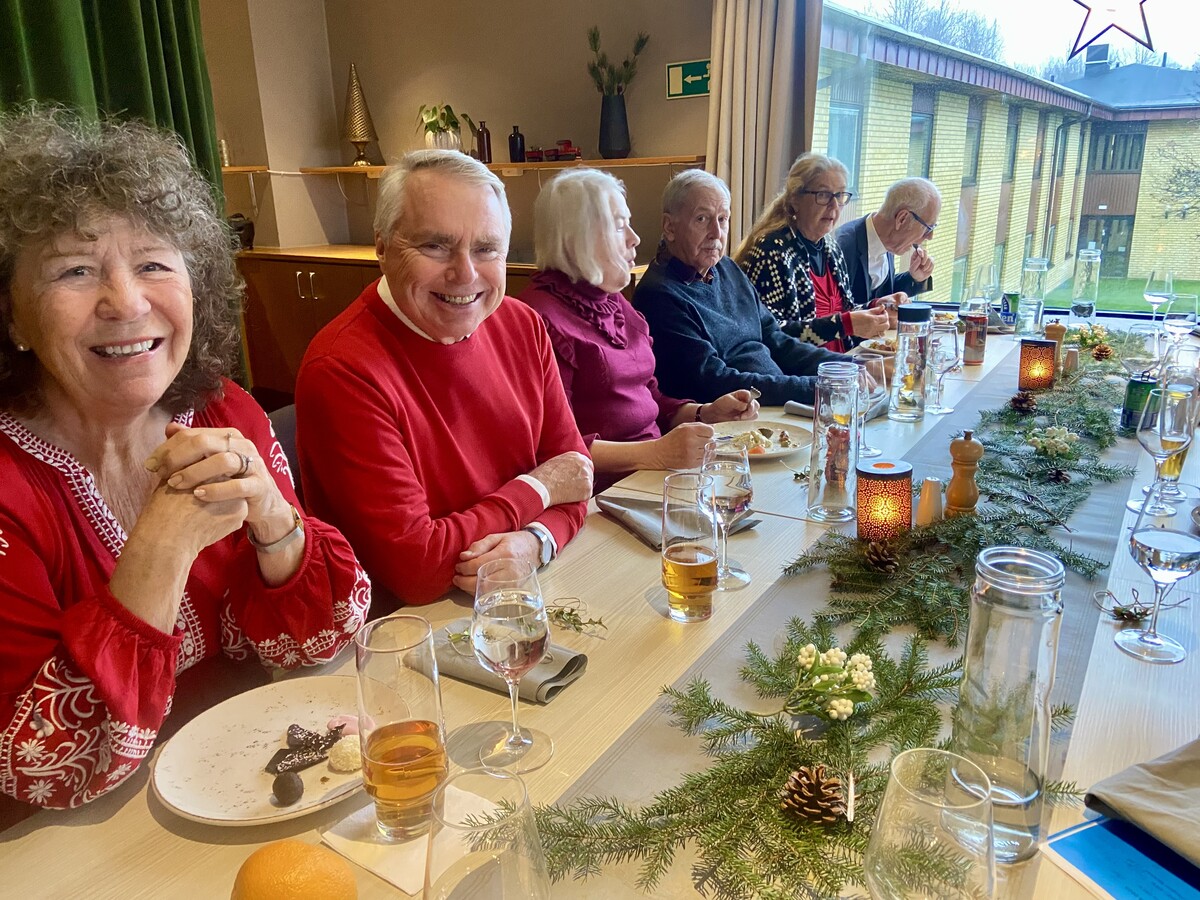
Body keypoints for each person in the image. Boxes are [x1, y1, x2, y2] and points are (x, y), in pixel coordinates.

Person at [0, 107, 370, 812]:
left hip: (249, 783)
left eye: (152, 264)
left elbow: (325, 638)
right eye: (74, 271)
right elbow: (44, 768)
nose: (126, 302)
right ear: (13, 315)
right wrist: (161, 548)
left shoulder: (226, 410)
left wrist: (275, 526)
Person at [295, 150, 592, 606]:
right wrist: (541, 487)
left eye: (486, 249)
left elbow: (576, 474)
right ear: (382, 247)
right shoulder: (341, 370)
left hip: (520, 591)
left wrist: (535, 542)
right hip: (406, 628)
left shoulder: (522, 325)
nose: (465, 273)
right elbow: (419, 569)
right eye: (435, 246)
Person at [518, 169, 758, 492]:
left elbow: (650, 400)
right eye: (620, 226)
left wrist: (705, 413)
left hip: (650, 478)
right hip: (599, 495)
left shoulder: (614, 302)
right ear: (577, 237)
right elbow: (554, 448)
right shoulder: (538, 319)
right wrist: (658, 453)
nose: (635, 238)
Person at [633, 169, 851, 406]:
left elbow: (777, 341)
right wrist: (817, 387)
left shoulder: (726, 268)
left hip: (776, 404)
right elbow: (714, 381)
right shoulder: (658, 295)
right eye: (702, 219)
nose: (716, 233)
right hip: (738, 415)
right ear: (669, 227)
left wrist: (847, 367)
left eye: (722, 219)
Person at [734, 153, 897, 351]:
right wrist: (844, 324)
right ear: (795, 199)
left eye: (840, 195)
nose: (834, 205)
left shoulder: (831, 248)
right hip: (802, 368)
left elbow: (843, 313)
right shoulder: (771, 251)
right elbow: (771, 336)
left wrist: (875, 307)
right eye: (824, 195)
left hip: (841, 361)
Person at [835, 176, 940, 307]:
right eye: (928, 228)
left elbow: (884, 294)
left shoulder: (890, 239)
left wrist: (914, 278)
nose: (930, 236)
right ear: (902, 219)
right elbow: (837, 312)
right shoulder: (842, 247)